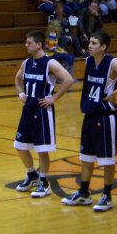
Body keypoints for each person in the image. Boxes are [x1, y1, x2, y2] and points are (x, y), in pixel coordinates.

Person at [61, 29, 117, 212]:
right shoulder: (89, 60)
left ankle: (107, 195)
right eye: (90, 43)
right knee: (86, 157)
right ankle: (83, 193)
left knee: (107, 159)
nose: (90, 46)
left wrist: (114, 94)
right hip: (90, 113)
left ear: (103, 47)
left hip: (106, 117)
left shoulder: (112, 62)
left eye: (94, 43)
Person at [13, 31, 74, 198]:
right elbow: (18, 79)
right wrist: (20, 93)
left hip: (42, 110)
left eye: (29, 42)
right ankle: (31, 175)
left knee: (42, 149)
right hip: (28, 109)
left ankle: (44, 182)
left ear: (38, 45)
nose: (26, 45)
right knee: (20, 146)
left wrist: (53, 98)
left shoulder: (50, 63)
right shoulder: (26, 63)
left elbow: (68, 79)